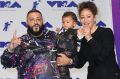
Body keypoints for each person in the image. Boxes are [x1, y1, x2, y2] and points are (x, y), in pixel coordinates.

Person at [57, 1, 120, 79]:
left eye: (88, 16)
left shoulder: (106, 32)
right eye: (82, 17)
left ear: (94, 17)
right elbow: (80, 61)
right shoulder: (84, 39)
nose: (85, 20)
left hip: (110, 76)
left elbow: (103, 56)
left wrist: (89, 37)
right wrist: (69, 61)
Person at [1, 9, 60, 79]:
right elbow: (7, 64)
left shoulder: (54, 37)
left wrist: (69, 61)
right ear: (27, 23)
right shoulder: (20, 42)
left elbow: (69, 58)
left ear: (42, 21)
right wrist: (10, 49)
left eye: (38, 19)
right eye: (31, 20)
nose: (35, 22)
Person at [56, 11, 78, 79]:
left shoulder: (75, 32)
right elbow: (60, 40)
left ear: (74, 24)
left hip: (69, 54)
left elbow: (79, 39)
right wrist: (59, 33)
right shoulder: (62, 33)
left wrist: (80, 34)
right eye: (63, 22)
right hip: (60, 54)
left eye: (67, 22)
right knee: (61, 69)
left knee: (63, 70)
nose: (65, 24)